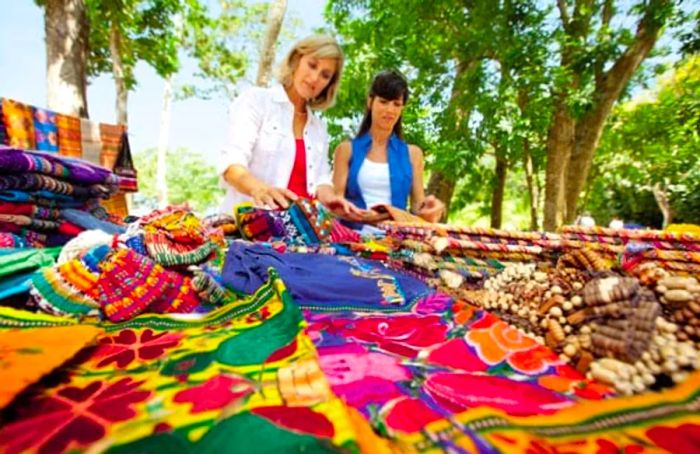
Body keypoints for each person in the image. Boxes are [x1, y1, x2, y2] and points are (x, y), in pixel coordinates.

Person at [218, 34, 363, 220]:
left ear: (329, 85)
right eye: (312, 65)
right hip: (246, 230)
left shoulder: (319, 129)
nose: (315, 78)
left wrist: (331, 199)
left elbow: (320, 181)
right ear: (296, 60)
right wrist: (259, 189)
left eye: (325, 75)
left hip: (298, 236)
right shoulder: (256, 101)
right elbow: (231, 164)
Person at [332, 70, 445, 223]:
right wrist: (365, 217)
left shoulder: (413, 154)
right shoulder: (346, 150)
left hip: (396, 241)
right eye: (384, 102)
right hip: (350, 238)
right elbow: (335, 206)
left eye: (396, 104)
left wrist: (431, 209)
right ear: (370, 102)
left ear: (402, 108)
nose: (390, 110)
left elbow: (418, 207)